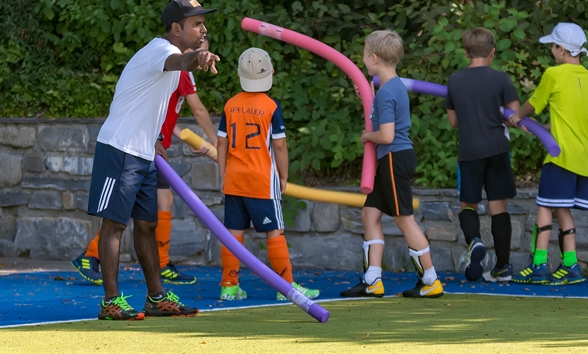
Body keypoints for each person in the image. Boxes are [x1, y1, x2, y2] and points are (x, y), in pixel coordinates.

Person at [86, 0, 219, 320]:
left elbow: (149, 101)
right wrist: (197, 57)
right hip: (119, 149)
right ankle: (110, 301)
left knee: (147, 225)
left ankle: (156, 298)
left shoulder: (171, 57)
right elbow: (180, 62)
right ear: (176, 28)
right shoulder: (162, 51)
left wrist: (157, 137)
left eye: (203, 23)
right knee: (114, 224)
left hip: (144, 152)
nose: (203, 29)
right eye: (196, 24)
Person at [73, 40, 218, 285]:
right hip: (138, 146)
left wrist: (181, 137)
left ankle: (158, 269)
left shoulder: (177, 69)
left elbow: (164, 113)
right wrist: (216, 142)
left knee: (155, 207)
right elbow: (199, 110)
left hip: (152, 145)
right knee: (124, 211)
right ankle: (95, 256)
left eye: (204, 44)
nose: (201, 48)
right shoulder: (177, 65)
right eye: (197, 43)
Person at [341, 30, 443, 299]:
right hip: (391, 159)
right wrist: (369, 97)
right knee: (370, 214)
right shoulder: (392, 87)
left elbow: (386, 135)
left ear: (374, 58)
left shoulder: (387, 93)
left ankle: (430, 280)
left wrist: (367, 135)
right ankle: (372, 280)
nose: (363, 59)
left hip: (393, 159)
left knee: (404, 219)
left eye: (365, 55)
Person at [216, 47, 319, 301]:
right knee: (275, 232)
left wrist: (223, 174)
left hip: (234, 179)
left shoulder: (230, 105)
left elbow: (221, 142)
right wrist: (283, 175)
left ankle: (229, 285)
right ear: (270, 72)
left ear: (239, 75)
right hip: (262, 180)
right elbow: (279, 145)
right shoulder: (271, 106)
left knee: (233, 233)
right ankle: (286, 287)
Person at [508, 22, 588, 285]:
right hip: (583, 155)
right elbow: (572, 118)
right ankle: (571, 265)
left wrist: (518, 117)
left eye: (553, 46)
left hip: (561, 156)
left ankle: (539, 265)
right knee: (562, 209)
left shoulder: (554, 74)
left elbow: (534, 103)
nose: (551, 51)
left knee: (545, 206)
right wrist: (544, 128)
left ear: (562, 49)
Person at [444, 27, 520, 282]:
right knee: (498, 206)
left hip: (470, 151)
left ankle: (475, 241)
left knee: (468, 204)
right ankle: (503, 267)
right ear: (493, 52)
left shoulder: (455, 80)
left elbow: (453, 121)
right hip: (497, 149)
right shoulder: (501, 79)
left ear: (466, 53)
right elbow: (513, 117)